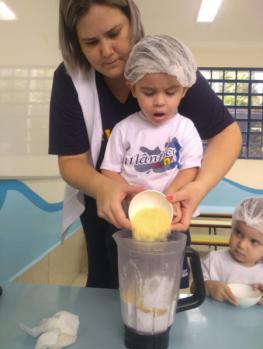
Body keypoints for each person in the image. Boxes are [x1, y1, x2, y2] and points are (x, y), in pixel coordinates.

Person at [49, 0, 241, 288]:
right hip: (110, 214)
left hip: (172, 213)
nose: (106, 51)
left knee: (168, 288)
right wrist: (104, 186)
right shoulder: (71, 79)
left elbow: (228, 134)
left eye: (114, 33)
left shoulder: (170, 65)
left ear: (133, 22)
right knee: (110, 291)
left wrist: (197, 187)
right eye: (90, 42)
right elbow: (72, 161)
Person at [101, 34, 203, 226]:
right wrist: (131, 194)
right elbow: (109, 171)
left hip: (173, 217)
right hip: (131, 218)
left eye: (170, 92)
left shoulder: (185, 128)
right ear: (133, 89)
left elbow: (190, 169)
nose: (159, 102)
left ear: (184, 91)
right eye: (148, 92)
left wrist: (170, 195)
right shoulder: (124, 129)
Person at [201, 197, 263, 305]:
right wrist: (208, 286)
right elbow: (194, 288)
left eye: (254, 242)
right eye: (238, 233)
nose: (242, 245)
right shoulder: (213, 260)